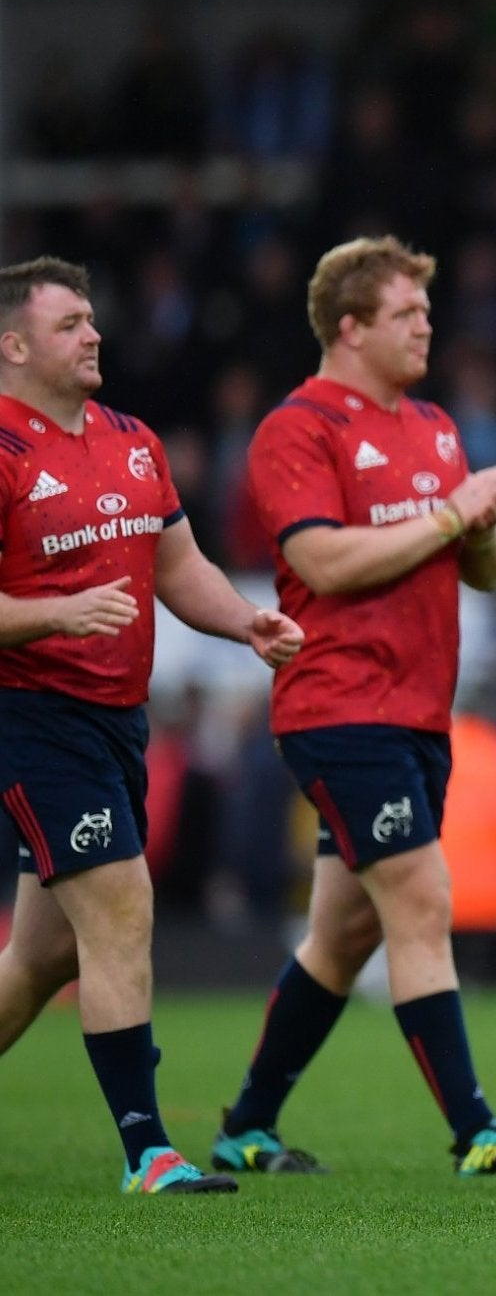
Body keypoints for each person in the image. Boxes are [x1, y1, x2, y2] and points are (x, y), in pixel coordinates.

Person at [211, 237, 496, 1178]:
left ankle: (246, 1124)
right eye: (407, 313)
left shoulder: (436, 427)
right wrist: (454, 516)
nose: (426, 326)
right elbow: (323, 562)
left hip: (419, 710)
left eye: (426, 311)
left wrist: (484, 531)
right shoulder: (298, 429)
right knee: (420, 900)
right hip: (340, 703)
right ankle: (477, 1132)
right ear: (349, 327)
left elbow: (483, 571)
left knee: (344, 932)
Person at [0, 256, 303, 1194]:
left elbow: (178, 567)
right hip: (32, 717)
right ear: (13, 346)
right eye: (70, 324)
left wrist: (242, 618)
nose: (94, 335)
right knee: (124, 906)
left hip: (117, 722)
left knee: (44, 955)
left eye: (93, 319)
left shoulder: (133, 440)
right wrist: (55, 614)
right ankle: (149, 1151)